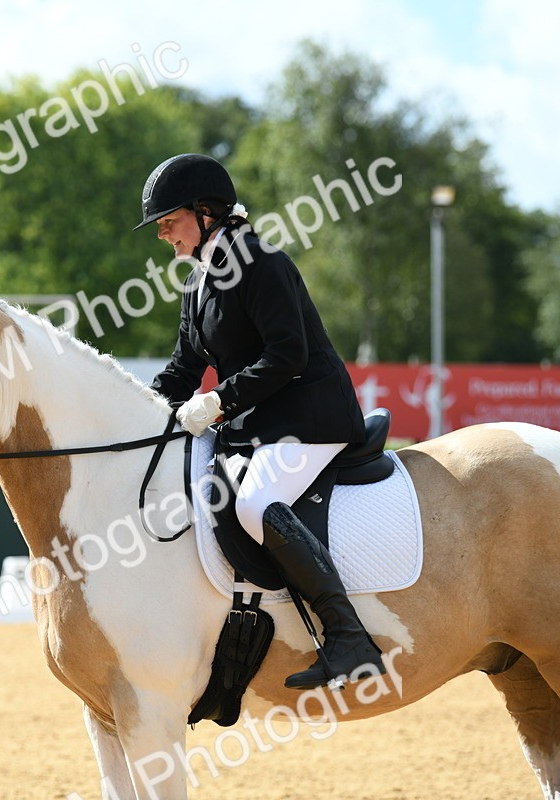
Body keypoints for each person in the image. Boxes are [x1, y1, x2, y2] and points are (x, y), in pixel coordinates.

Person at [135, 153, 384, 690]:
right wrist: (138, 416)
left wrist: (218, 401)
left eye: (168, 222)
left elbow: (287, 354)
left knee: (251, 503)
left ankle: (349, 638)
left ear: (206, 213)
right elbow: (183, 370)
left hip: (312, 417)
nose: (163, 235)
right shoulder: (198, 281)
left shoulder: (258, 260)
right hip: (263, 425)